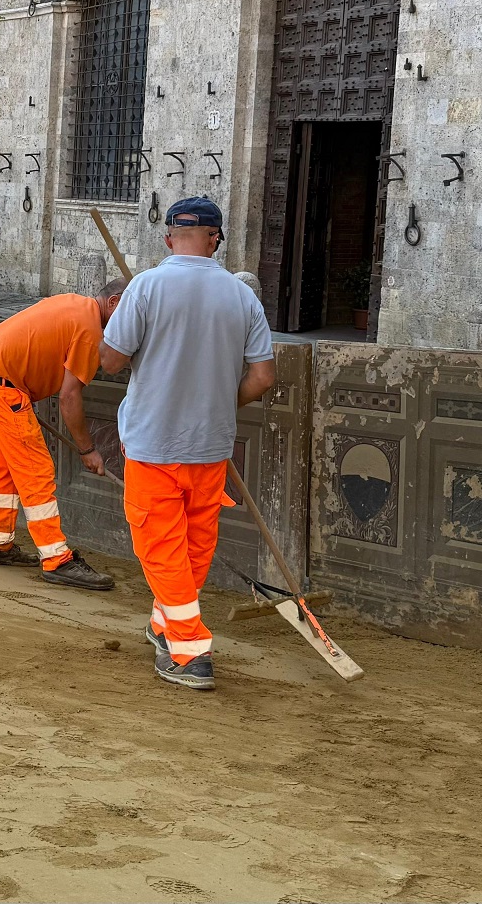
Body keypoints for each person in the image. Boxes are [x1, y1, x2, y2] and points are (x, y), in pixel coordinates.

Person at [100, 197, 276, 692]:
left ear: (167, 237)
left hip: (154, 442)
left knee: (161, 547)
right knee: (193, 547)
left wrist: (125, 338)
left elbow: (111, 361)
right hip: (210, 445)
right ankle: (165, 624)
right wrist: (220, 401)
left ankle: (190, 651)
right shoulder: (242, 295)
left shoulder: (147, 286)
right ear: (216, 238)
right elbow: (262, 377)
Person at [0, 279, 125, 592]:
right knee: (35, 470)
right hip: (2, 383)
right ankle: (56, 558)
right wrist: (87, 449)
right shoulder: (90, 331)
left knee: (5, 464)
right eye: (130, 314)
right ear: (114, 303)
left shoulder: (76, 304)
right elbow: (69, 397)